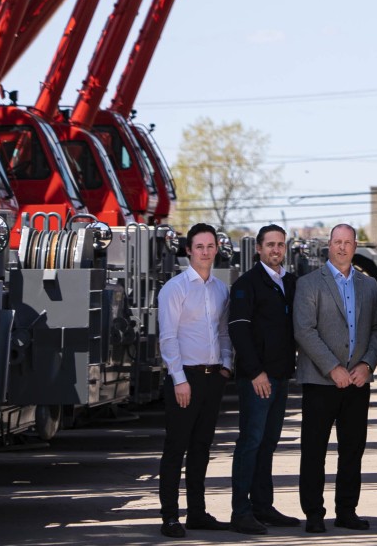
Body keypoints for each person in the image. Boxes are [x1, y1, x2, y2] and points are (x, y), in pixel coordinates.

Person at [295, 224, 377, 534]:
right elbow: (304, 330)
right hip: (321, 382)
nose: (342, 248)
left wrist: (368, 364)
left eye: (347, 242)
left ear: (356, 246)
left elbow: (376, 330)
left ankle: (347, 511)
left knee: (352, 450)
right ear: (328, 245)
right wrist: (333, 368)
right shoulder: (309, 284)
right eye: (337, 242)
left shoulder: (370, 286)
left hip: (358, 382)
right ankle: (314, 514)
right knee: (314, 450)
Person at [157, 223, 233, 538]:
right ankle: (170, 517)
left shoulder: (220, 289)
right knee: (176, 447)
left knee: (202, 447)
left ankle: (197, 513)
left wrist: (226, 364)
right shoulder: (174, 288)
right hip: (184, 378)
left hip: (212, 377)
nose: (205, 252)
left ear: (217, 249)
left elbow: (224, 331)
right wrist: (178, 379)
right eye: (199, 246)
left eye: (210, 246)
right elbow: (168, 337)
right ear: (189, 250)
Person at [228, 224, 300, 534]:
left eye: (280, 245)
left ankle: (263, 506)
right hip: (256, 378)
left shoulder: (291, 283)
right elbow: (238, 330)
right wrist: (256, 372)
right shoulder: (247, 284)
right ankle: (240, 512)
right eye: (269, 244)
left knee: (268, 443)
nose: (275, 250)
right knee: (250, 442)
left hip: (281, 376)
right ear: (258, 248)